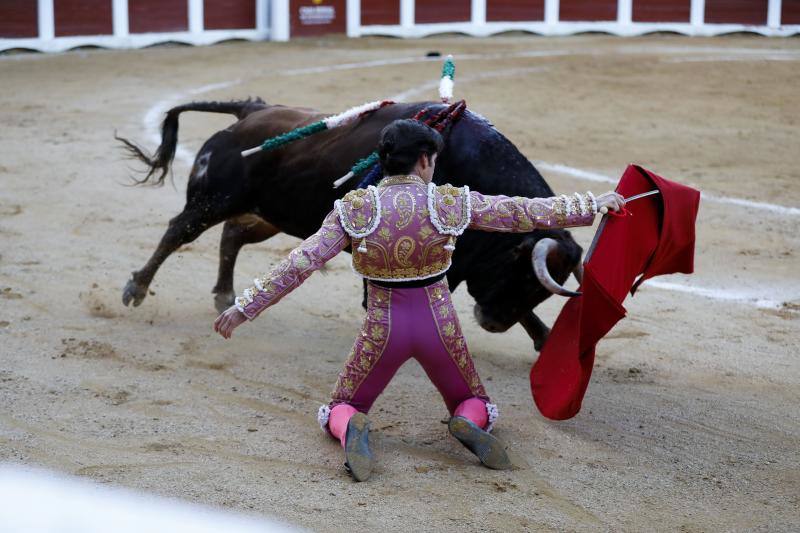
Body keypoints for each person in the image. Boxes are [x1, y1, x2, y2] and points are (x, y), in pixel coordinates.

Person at [214, 119, 625, 481]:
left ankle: (352, 423)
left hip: (383, 328)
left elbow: (302, 261)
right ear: (426, 161)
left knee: (342, 404)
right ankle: (465, 421)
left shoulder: (355, 209)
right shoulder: (449, 202)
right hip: (437, 326)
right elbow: (519, 212)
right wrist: (591, 205)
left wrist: (244, 307)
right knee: (472, 399)